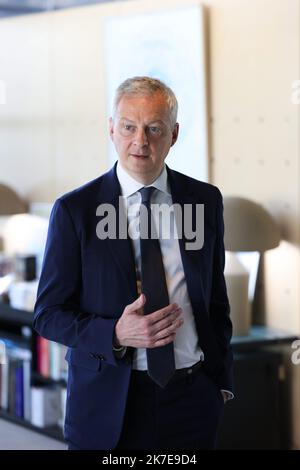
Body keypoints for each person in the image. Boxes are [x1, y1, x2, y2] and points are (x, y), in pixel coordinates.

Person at [33, 76, 233, 450]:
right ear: (111, 129)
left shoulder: (205, 201)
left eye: (154, 129)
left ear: (173, 134)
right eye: (128, 126)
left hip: (192, 401)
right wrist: (116, 334)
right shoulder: (75, 211)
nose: (140, 140)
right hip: (108, 407)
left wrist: (220, 383)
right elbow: (48, 314)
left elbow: (216, 301)